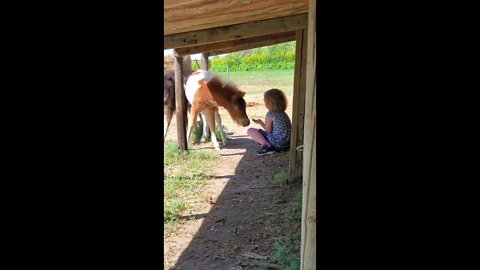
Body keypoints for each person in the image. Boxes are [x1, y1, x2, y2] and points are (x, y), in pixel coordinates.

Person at [247, 88, 291, 156]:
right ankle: (267, 143)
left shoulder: (270, 114)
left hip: (277, 144)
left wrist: (261, 123)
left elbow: (268, 131)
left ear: (269, 103)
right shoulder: (283, 113)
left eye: (265, 102)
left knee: (250, 131)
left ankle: (267, 146)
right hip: (286, 144)